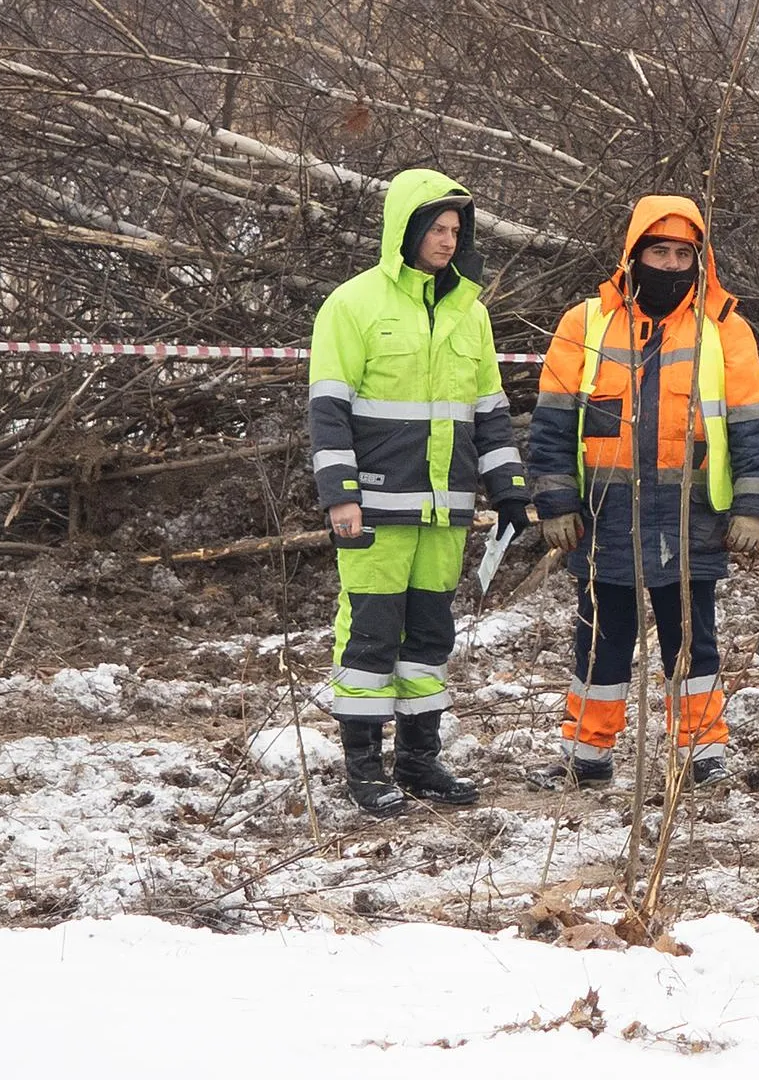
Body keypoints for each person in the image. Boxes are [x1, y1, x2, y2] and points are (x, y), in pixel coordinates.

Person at [525, 196, 759, 790]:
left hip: (691, 513)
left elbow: (751, 424)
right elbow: (554, 423)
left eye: (682, 253)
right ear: (633, 255)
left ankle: (702, 754)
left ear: (700, 259)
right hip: (602, 514)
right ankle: (587, 755)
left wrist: (753, 505)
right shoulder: (583, 324)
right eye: (658, 251)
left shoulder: (724, 328)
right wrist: (556, 501)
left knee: (692, 638)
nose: (670, 264)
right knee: (600, 636)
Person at [307, 168, 532, 813]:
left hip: (446, 510)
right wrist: (340, 495)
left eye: (456, 231)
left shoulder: (471, 312)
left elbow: (488, 410)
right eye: (436, 228)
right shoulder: (353, 305)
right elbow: (328, 412)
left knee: (430, 639)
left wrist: (508, 489)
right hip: (375, 506)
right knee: (371, 637)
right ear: (404, 229)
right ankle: (363, 770)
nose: (447, 241)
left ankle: (417, 762)